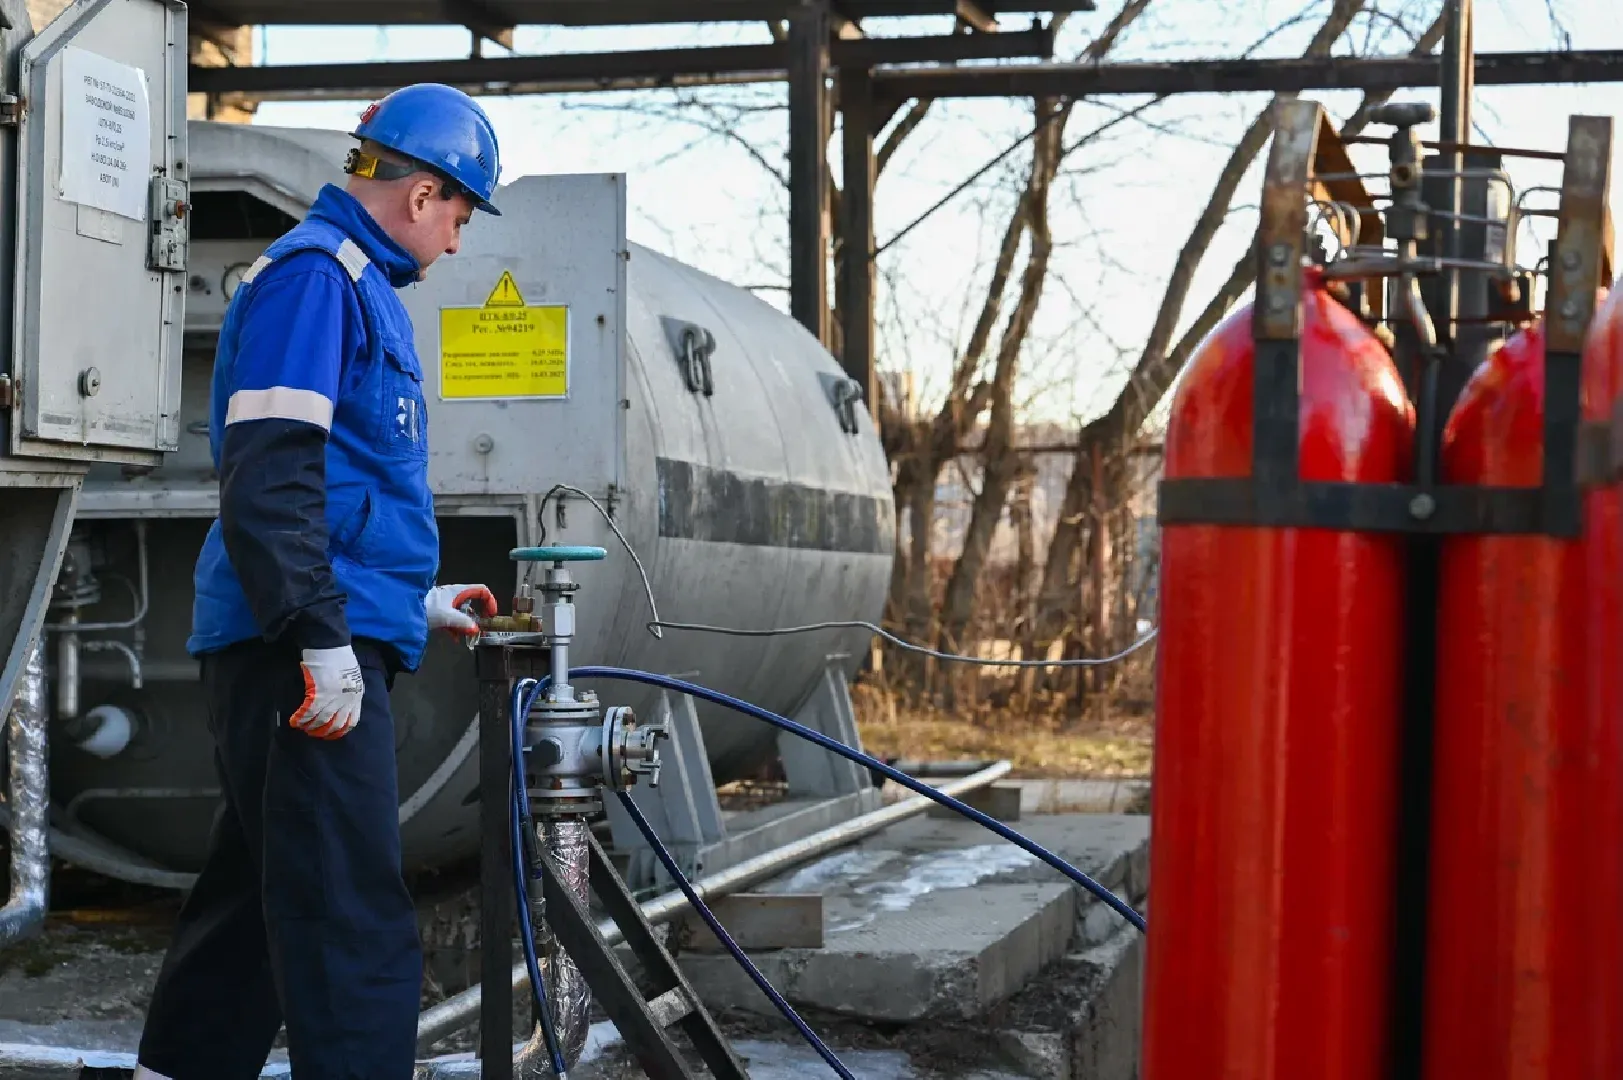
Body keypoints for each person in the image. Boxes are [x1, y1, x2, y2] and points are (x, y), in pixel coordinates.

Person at [133, 84, 505, 1080]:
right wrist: (318, 634)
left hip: (303, 629)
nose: (457, 241)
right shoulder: (318, 280)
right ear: (422, 194)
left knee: (257, 897)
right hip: (295, 647)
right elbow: (272, 472)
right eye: (460, 216)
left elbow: (342, 491)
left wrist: (406, 602)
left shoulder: (352, 284)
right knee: (348, 914)